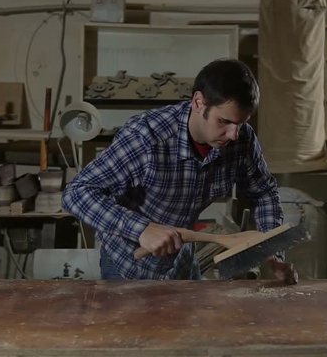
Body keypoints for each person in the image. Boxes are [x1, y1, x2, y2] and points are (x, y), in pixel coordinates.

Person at [62, 58, 288, 280]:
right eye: (224, 122)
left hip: (182, 262)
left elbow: (264, 193)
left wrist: (273, 250)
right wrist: (141, 229)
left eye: (240, 124)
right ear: (198, 103)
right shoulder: (146, 138)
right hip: (129, 264)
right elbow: (77, 192)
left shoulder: (242, 140)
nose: (233, 134)